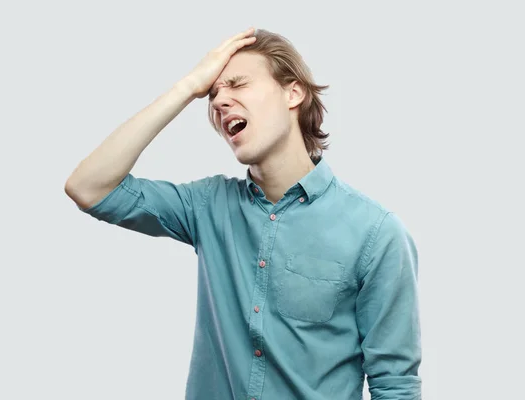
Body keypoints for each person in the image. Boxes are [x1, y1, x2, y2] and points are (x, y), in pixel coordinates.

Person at [65, 27, 422, 400]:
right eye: (213, 94)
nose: (220, 102)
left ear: (293, 92)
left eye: (238, 84)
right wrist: (188, 87)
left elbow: (395, 384)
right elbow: (89, 187)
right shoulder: (206, 206)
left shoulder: (376, 233)